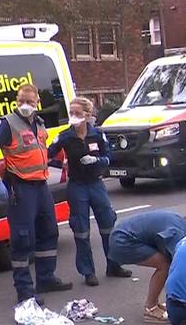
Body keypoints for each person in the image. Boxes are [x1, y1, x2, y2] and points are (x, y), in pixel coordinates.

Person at [0, 84, 72, 303]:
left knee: (49, 231)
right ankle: (25, 291)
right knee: (22, 239)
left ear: (37, 101)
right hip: (21, 188)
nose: (25, 105)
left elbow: (40, 152)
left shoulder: (39, 123)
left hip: (41, 186)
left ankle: (46, 279)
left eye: (29, 101)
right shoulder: (7, 124)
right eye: (21, 101)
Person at [47, 97, 131, 286]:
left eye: (77, 113)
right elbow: (46, 154)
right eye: (71, 113)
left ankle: (114, 265)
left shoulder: (96, 135)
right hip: (77, 186)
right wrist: (61, 164)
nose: (73, 117)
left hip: (96, 184)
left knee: (108, 224)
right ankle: (88, 272)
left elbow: (108, 156)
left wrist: (97, 161)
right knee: (81, 229)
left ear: (87, 115)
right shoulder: (65, 136)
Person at [108, 209, 186, 322]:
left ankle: (154, 303)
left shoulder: (181, 221)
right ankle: (150, 308)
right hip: (123, 240)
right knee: (165, 265)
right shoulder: (177, 233)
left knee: (165, 263)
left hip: (122, 233)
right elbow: (179, 264)